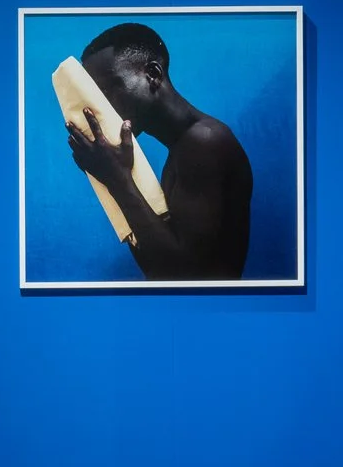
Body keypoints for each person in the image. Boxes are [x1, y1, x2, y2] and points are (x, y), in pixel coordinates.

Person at [65, 21, 251, 279]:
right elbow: (156, 267)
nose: (102, 107)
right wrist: (116, 176)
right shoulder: (182, 149)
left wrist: (118, 181)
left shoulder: (205, 142)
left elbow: (184, 277)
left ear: (153, 74)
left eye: (108, 90)